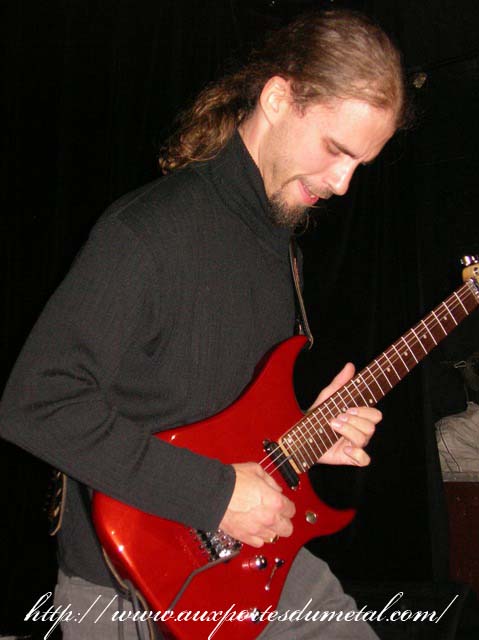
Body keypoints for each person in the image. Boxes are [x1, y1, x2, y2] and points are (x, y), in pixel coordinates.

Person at [0, 8, 410, 640]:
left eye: (361, 164)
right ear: (278, 99)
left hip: (254, 562)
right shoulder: (145, 233)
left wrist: (303, 437)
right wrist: (216, 494)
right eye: (336, 151)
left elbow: (222, 417)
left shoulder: (282, 248)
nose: (342, 183)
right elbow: (36, 404)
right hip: (128, 584)